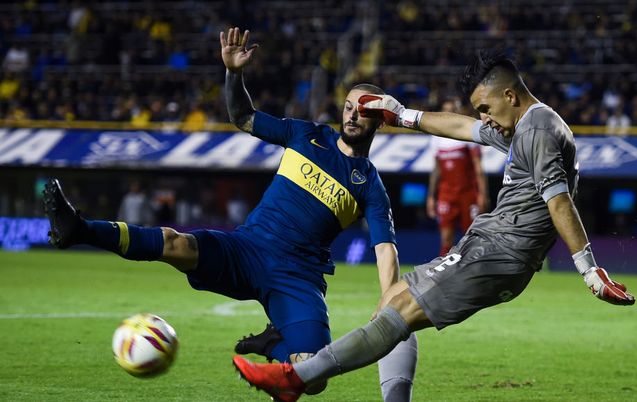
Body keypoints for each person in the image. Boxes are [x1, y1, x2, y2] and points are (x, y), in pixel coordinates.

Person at [230, 48, 636, 402]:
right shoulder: (522, 125)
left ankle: (294, 377)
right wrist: (404, 115)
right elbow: (461, 128)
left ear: (510, 96)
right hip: (489, 243)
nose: (485, 120)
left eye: (486, 109)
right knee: (392, 304)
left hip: (501, 252)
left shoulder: (539, 131)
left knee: (399, 309)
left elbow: (559, 200)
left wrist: (589, 269)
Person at [42, 27, 417, 400]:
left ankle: (273, 343)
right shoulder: (307, 135)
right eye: (349, 106)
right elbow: (243, 116)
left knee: (313, 376)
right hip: (247, 249)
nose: (353, 115)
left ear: (380, 119)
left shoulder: (369, 184)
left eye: (365, 110)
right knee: (177, 244)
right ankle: (78, 229)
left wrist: (389, 302)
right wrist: (233, 73)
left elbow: (386, 250)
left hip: (297, 277)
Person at [427, 98, 489, 256]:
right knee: (446, 239)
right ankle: (443, 276)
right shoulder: (436, 138)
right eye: (446, 110)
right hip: (446, 194)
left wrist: (482, 194)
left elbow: (478, 167)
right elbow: (436, 170)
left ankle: (474, 274)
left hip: (468, 194)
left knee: (472, 238)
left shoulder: (467, 132)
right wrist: (431, 197)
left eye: (452, 109)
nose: (449, 113)